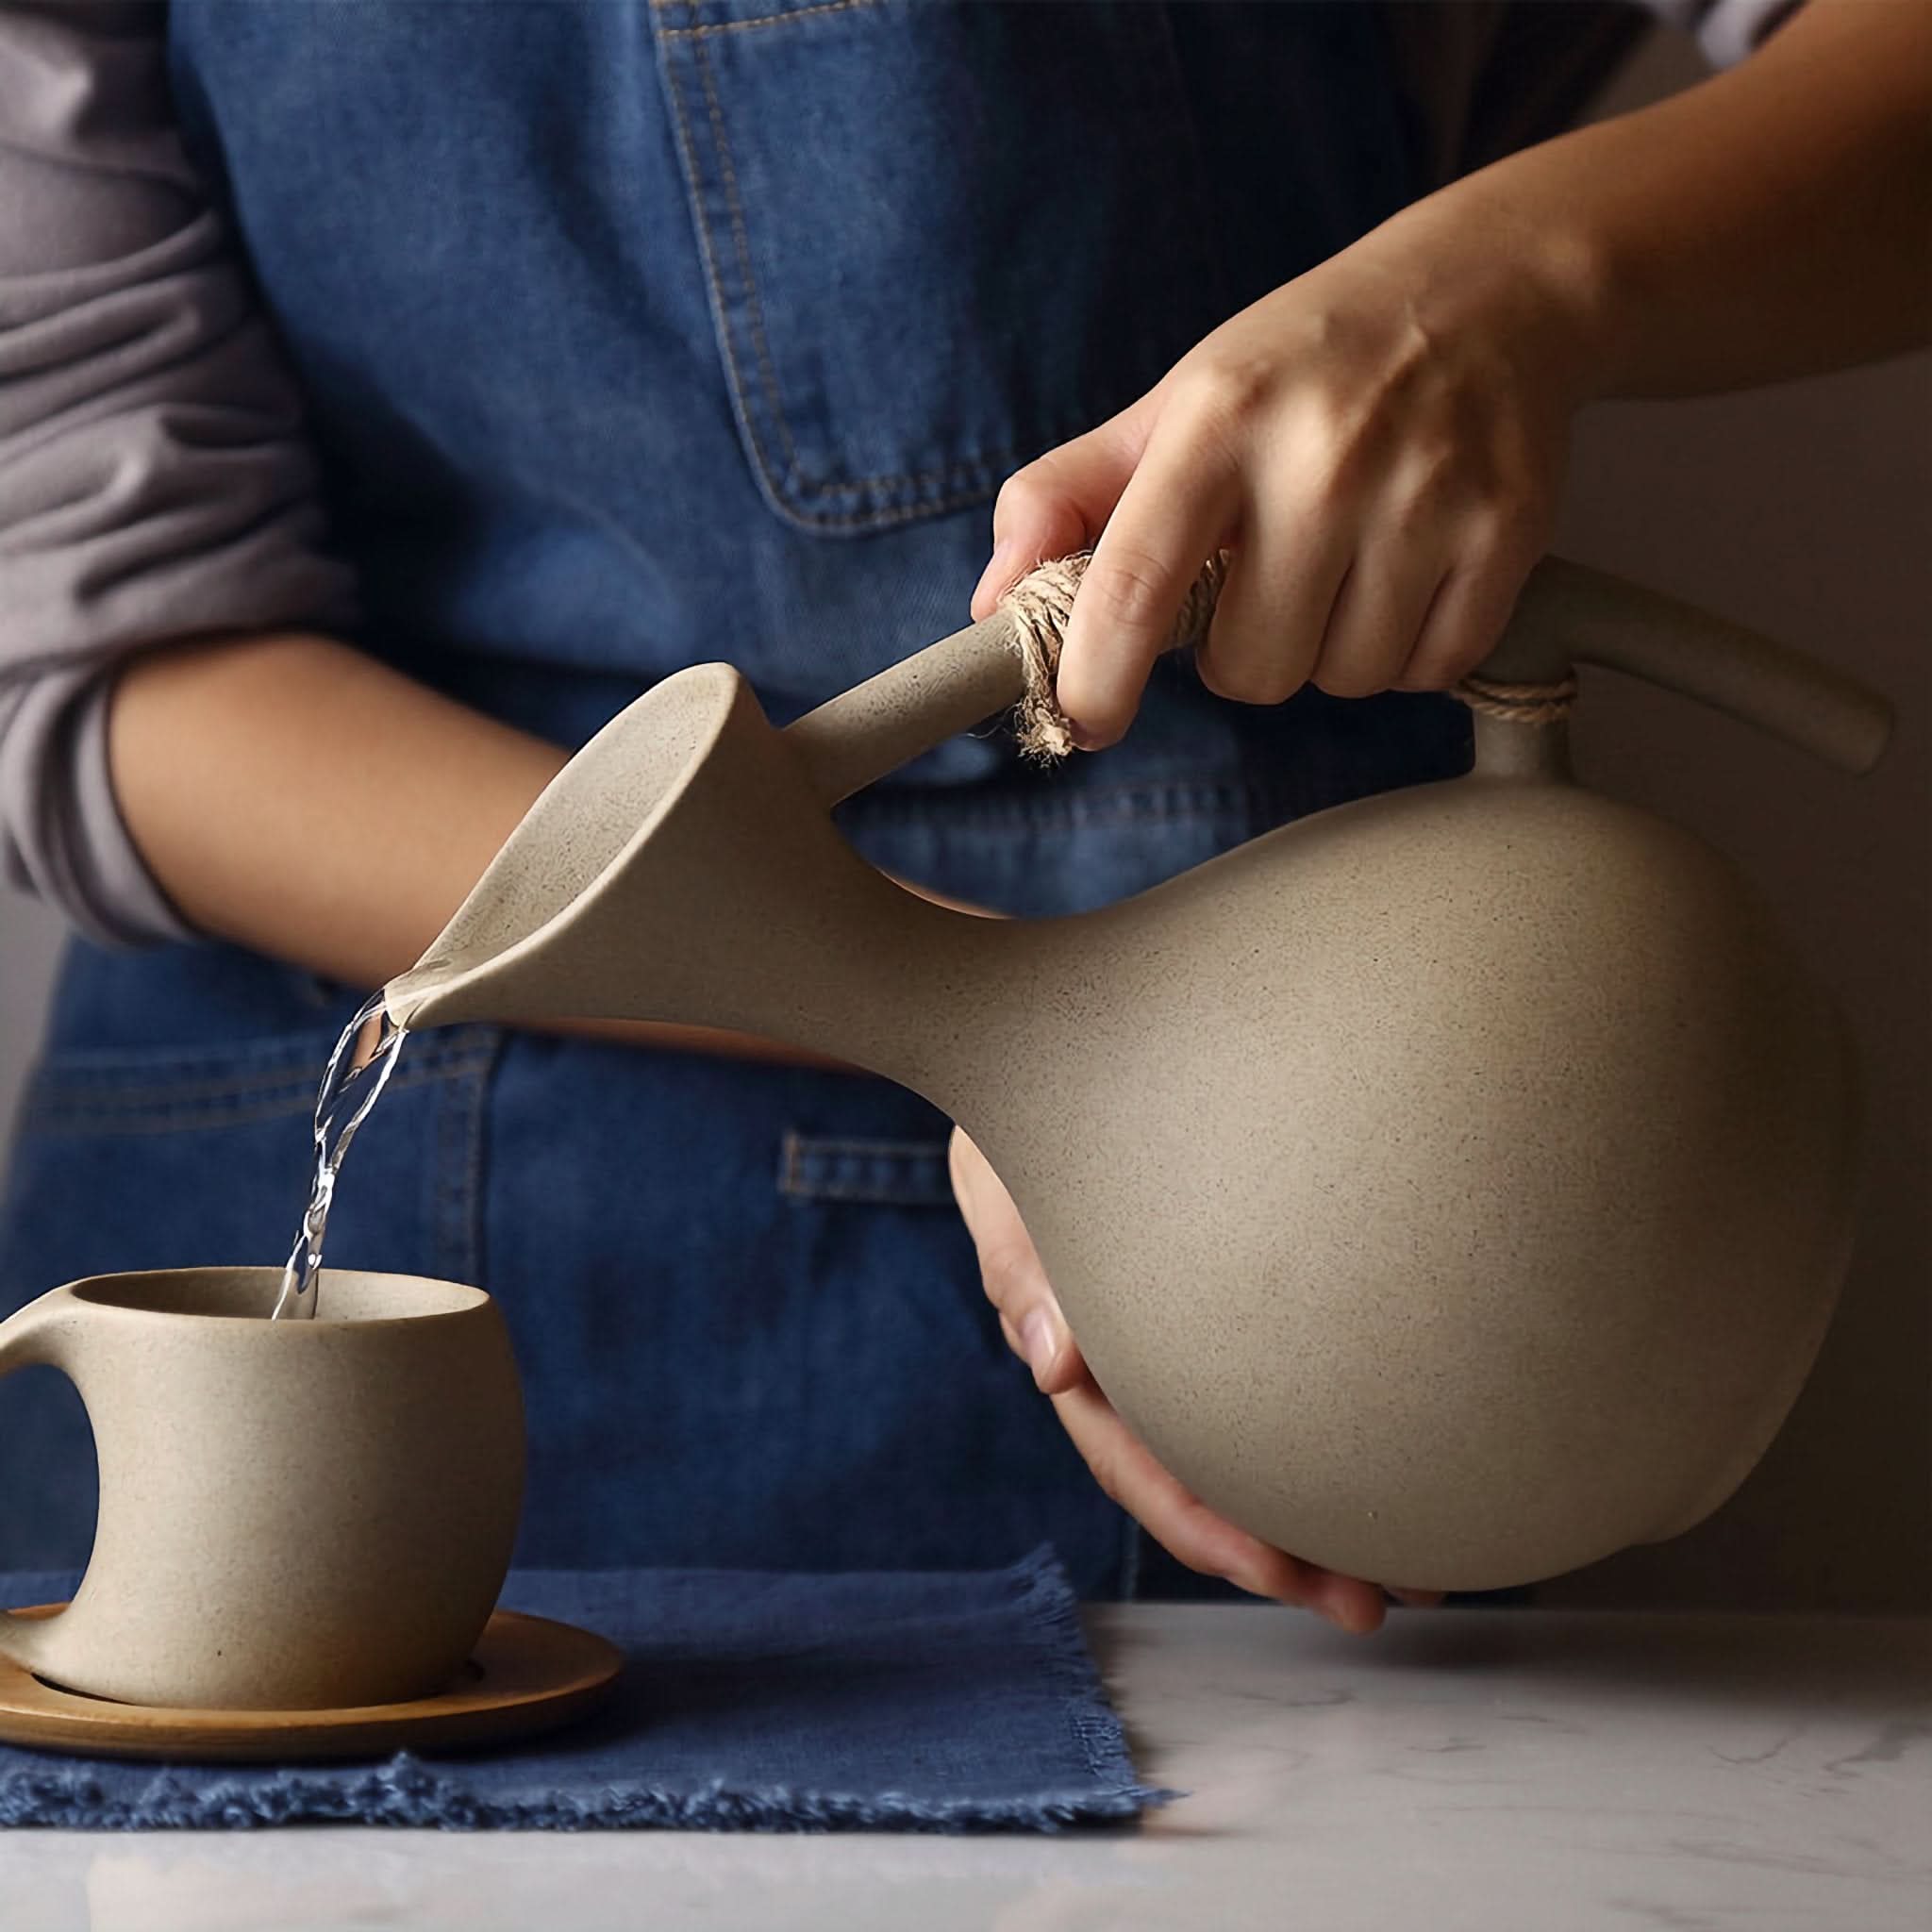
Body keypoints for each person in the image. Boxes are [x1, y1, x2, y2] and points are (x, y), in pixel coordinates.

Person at [0, 1, 1924, 1631]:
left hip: (1368, 1217)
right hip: (332, 1150)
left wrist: (1512, 287)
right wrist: (1026, 1032)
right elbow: (101, 646)